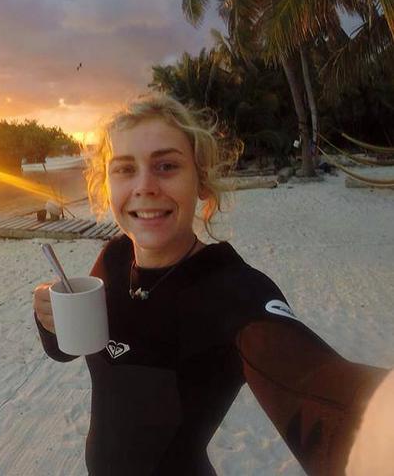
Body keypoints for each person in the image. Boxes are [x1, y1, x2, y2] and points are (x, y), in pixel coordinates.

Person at [32, 93, 390, 475]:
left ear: (201, 182)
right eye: (124, 169)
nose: (145, 186)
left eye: (166, 166)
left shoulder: (234, 292)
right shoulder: (114, 258)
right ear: (106, 186)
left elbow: (325, 390)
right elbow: (66, 350)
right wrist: (49, 317)